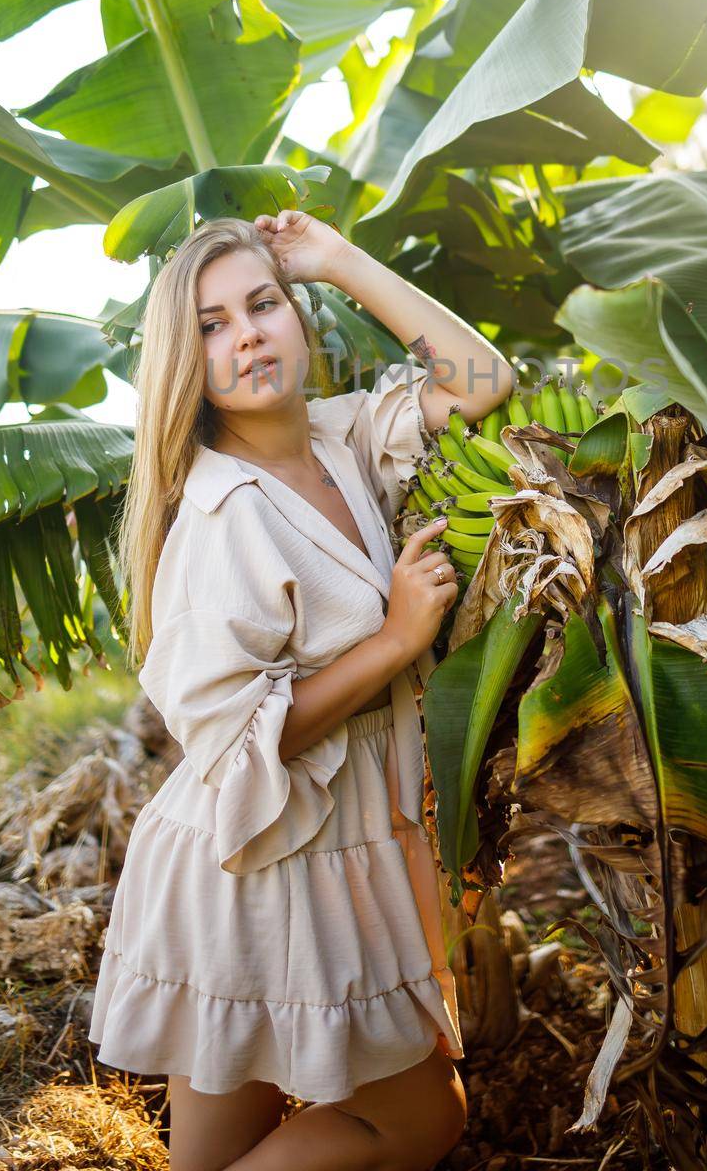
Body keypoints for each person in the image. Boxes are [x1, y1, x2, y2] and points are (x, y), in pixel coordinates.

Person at [88, 210, 513, 1171]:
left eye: (264, 304)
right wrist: (400, 638)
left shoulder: (341, 436)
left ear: (298, 317)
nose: (245, 334)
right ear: (185, 361)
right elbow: (235, 743)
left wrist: (337, 258)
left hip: (307, 847)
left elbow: (485, 380)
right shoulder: (223, 513)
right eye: (210, 323)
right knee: (418, 1120)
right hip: (267, 856)